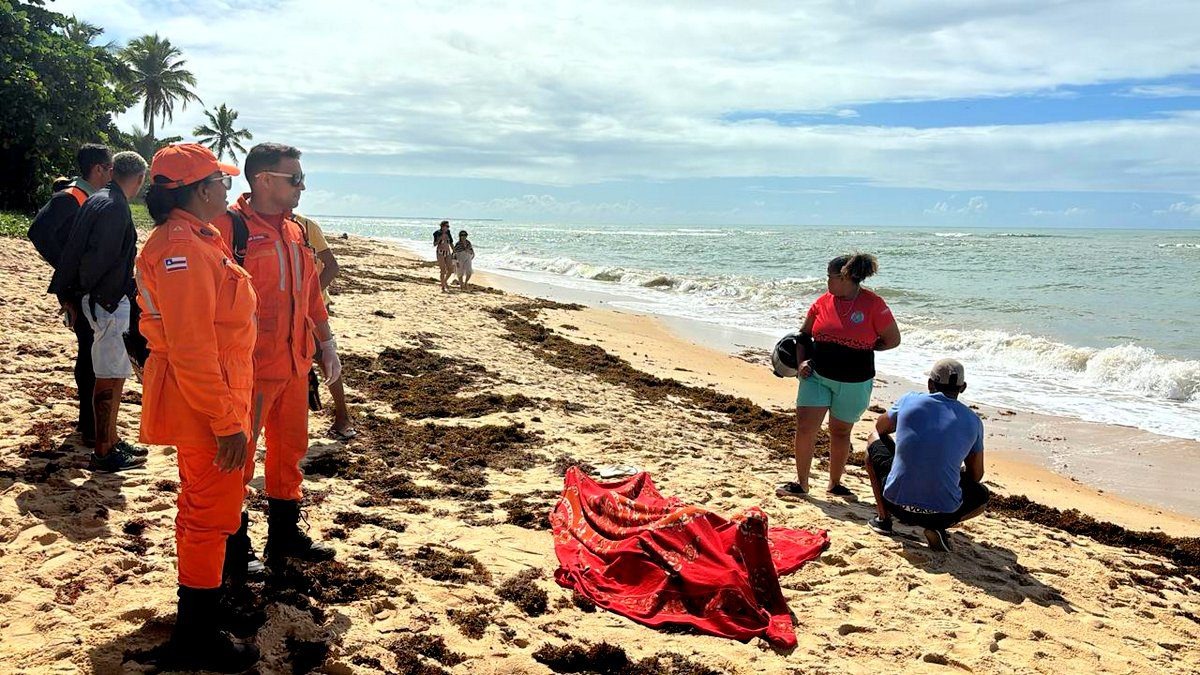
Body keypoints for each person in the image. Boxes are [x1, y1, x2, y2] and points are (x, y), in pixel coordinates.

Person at [136, 143, 259, 671]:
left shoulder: (199, 239)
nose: (227, 189)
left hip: (217, 392)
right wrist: (227, 422)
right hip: (208, 402)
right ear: (199, 189)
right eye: (221, 181)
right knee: (209, 514)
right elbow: (191, 347)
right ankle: (198, 635)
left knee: (205, 509)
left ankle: (200, 617)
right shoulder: (181, 248)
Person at [213, 143, 341, 569]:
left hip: (294, 365)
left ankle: (284, 536)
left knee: (290, 453)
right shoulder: (231, 229)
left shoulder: (295, 231)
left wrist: (325, 343)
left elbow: (309, 297)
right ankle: (234, 545)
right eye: (295, 179)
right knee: (239, 462)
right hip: (249, 371)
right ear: (264, 180)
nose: (303, 186)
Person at [48, 150, 149, 472]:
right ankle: (104, 449)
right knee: (110, 376)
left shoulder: (100, 197)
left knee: (112, 373)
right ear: (141, 178)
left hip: (99, 299)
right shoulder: (114, 207)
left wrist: (73, 293)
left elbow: (82, 252)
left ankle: (112, 438)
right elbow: (97, 259)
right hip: (107, 302)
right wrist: (100, 297)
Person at [777, 253, 901, 498]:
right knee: (805, 428)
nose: (827, 282)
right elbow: (803, 335)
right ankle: (801, 483)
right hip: (817, 375)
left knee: (841, 432)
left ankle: (835, 483)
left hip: (855, 381)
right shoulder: (823, 302)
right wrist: (802, 363)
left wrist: (864, 346)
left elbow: (893, 340)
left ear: (845, 277)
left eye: (829, 277)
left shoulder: (874, 305)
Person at [29, 144, 113, 448]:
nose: (112, 174)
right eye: (110, 168)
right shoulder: (71, 197)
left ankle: (88, 422)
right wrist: (68, 267)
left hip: (87, 286)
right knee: (90, 350)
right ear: (99, 168)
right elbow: (38, 232)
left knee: (92, 350)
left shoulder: (90, 198)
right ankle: (90, 426)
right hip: (78, 288)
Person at [864, 359, 989, 551]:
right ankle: (938, 526)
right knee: (981, 497)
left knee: (873, 439)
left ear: (930, 384)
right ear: (962, 388)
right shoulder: (973, 420)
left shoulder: (909, 400)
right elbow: (976, 475)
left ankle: (883, 519)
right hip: (942, 512)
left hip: (896, 504)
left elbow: (881, 428)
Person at [293, 212, 355, 440]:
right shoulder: (249, 222)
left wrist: (308, 297)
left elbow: (332, 266)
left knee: (323, 356)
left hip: (315, 307)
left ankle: (343, 417)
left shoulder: (307, 226)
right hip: (279, 310)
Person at [434, 220, 454, 292]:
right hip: (440, 252)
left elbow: (451, 243)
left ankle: (444, 281)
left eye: (448, 226)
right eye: (447, 226)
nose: (447, 228)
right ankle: (442, 287)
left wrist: (454, 251)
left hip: (448, 252)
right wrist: (440, 237)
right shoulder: (437, 233)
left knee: (451, 269)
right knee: (443, 270)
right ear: (442, 226)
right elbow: (435, 244)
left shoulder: (448, 233)